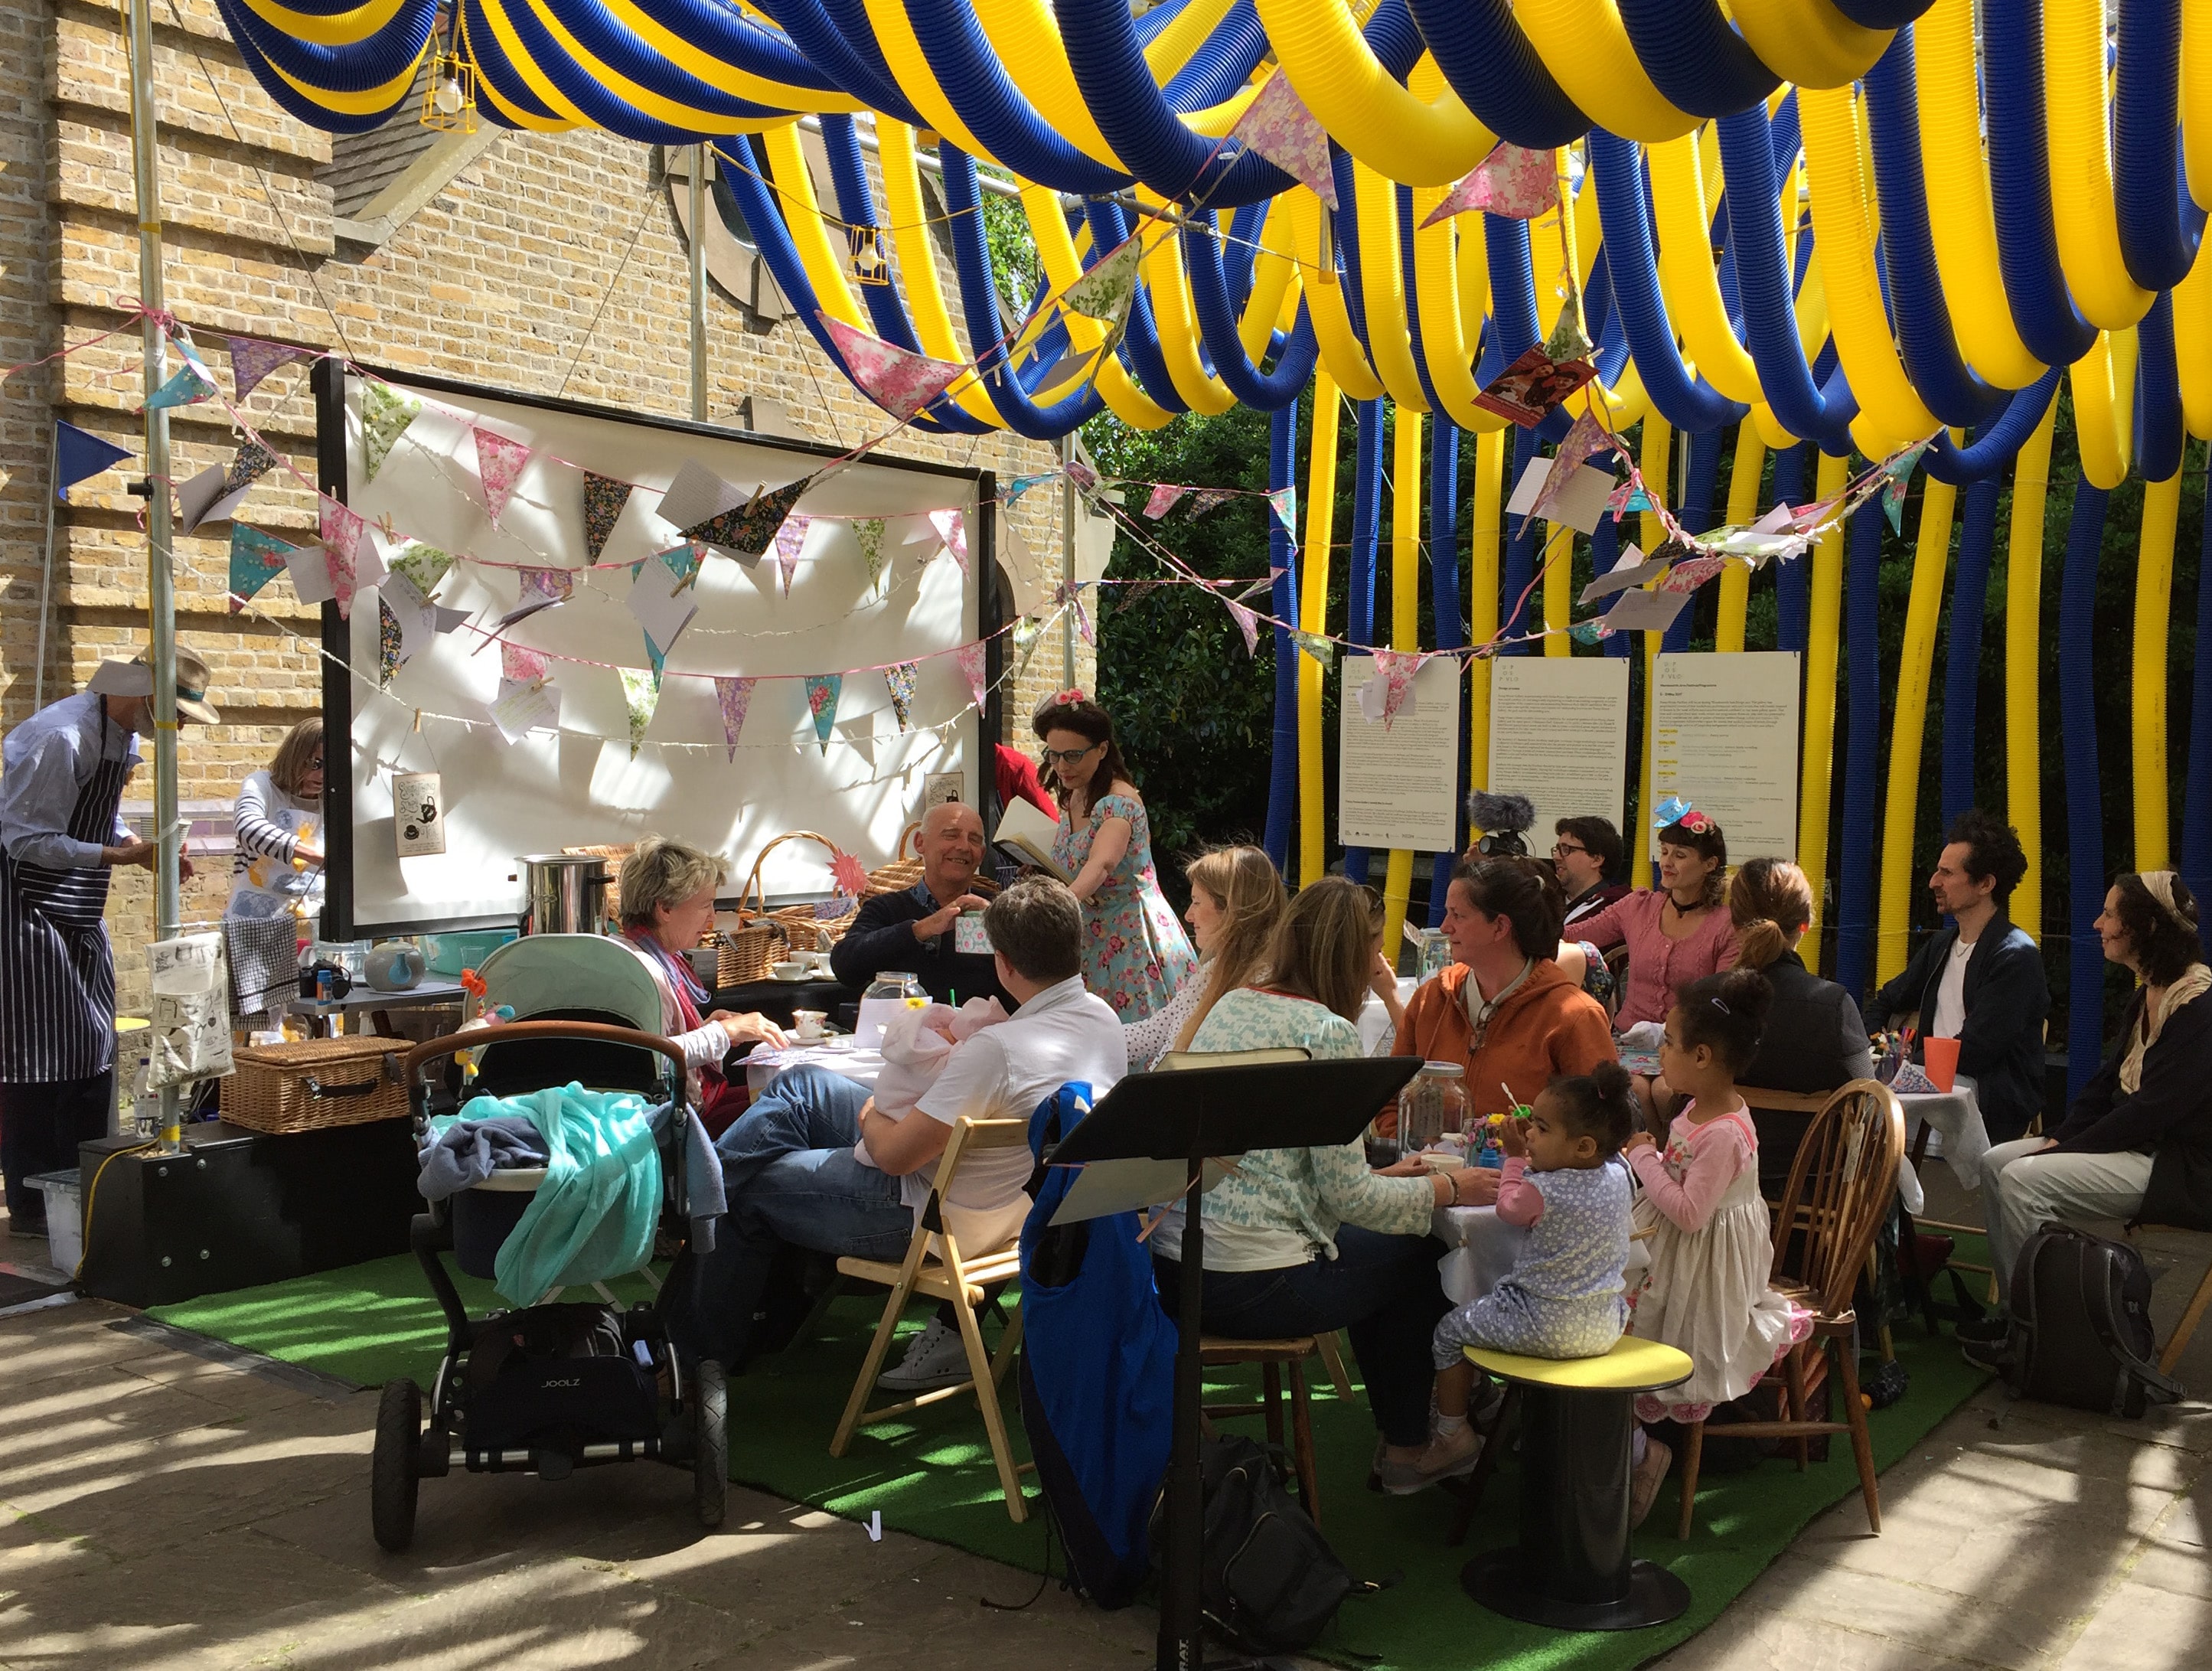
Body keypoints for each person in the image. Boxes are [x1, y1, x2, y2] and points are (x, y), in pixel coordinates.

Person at [689, 879, 1123, 1387]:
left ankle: (695, 1353)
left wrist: (872, 1113)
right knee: (803, 1085)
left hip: (936, 1217)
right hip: (1005, 1205)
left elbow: (894, 1154)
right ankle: (700, 1185)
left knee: (751, 1185)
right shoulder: (1104, 1020)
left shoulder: (1000, 1048)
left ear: (1003, 962)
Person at [1149, 877, 1494, 1495]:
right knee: (1421, 1253)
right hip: (1257, 1283)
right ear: (1347, 953)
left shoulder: (1232, 1002)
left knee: (1387, 1248)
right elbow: (1350, 1201)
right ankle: (1419, 1444)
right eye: (1374, 948)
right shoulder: (1328, 1032)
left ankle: (1406, 1442)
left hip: (1180, 1270)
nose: (1381, 964)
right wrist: (1449, 1190)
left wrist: (1394, 1178)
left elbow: (1285, 1164)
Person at [1, 650, 213, 1237]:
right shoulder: (60, 737)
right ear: (144, 694)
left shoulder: (123, 739)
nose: (184, 725)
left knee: (94, 1040)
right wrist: (121, 855)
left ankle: (89, 1182)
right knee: (37, 1055)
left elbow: (102, 818)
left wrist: (138, 847)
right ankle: (32, 1202)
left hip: (78, 904)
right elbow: (25, 839)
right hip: (24, 906)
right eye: (178, 711)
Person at [1961, 872, 2212, 1359]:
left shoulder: (2198, 1008)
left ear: (2147, 929)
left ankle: (2049, 1339)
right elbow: (2107, 1084)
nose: (2099, 924)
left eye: (2111, 915)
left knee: (2024, 1181)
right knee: (1995, 1163)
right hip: (2136, 1146)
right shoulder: (2148, 993)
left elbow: (2152, 1112)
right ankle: (2022, 1318)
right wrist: (2062, 1135)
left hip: (2177, 1168)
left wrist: (2067, 1146)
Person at [1623, 969, 1805, 1527]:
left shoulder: (1722, 1130)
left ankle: (1641, 1449)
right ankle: (1623, 1441)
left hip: (1704, 1263)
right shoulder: (1701, 1107)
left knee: (1641, 1318)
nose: (1661, 1051)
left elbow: (1690, 1212)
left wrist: (1644, 1157)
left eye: (1670, 1043)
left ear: (1702, 1055)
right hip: (1685, 1247)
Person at [1416, 1065, 1641, 1481]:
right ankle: (1487, 1401)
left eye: (1540, 1127)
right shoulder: (1619, 1174)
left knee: (1450, 1329)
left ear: (1584, 1146)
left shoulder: (1545, 1189)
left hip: (1543, 1325)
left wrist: (1516, 1160)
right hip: (1605, 1324)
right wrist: (1532, 1154)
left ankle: (1453, 1435)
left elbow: (1509, 1209)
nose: (1529, 1132)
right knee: (1483, 1313)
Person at [1394, 857, 1617, 1122]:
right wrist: (1412, 1151)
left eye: (1458, 915)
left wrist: (1528, 1154)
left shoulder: (1575, 1016)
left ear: (1500, 926)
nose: (1444, 927)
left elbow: (1602, 1124)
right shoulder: (1431, 998)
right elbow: (1389, 1098)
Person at [1874, 809, 2050, 1141]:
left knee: (1873, 1111)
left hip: (1984, 1094)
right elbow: (1885, 1000)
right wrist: (1876, 1053)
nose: (1933, 882)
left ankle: (1894, 1191)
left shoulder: (2015, 957)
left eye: (1946, 873)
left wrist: (1902, 1067)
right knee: (1860, 1096)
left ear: (1985, 884)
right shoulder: (1941, 945)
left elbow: (1976, 1050)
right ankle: (1893, 1191)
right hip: (1930, 1082)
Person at [1034, 687, 1197, 1021]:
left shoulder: (1118, 802)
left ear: (1102, 749)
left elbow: (1102, 863)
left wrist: (1059, 906)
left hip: (1132, 940)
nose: (1062, 766)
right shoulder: (1074, 797)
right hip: (1090, 938)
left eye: (1073, 756)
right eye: (1054, 755)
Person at [615, 838, 787, 1132]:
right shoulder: (643, 971)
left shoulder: (651, 955)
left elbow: (660, 1038)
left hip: (695, 1105)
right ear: (664, 908)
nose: (712, 917)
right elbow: (650, 1060)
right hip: (680, 1123)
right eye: (705, 905)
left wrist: (704, 1030)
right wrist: (722, 1033)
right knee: (797, 1098)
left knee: (789, 1088)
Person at [1724, 858, 1874, 1193]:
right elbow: (1870, 1100)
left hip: (1718, 1183)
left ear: (1733, 921)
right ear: (1805, 924)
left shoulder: (1706, 997)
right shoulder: (1833, 1004)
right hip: (1814, 1188)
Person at [1572, 806, 1741, 1033]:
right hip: (1626, 1038)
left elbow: (1722, 1002)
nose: (1667, 863)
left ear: (1710, 864)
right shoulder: (1638, 906)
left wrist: (1672, 1036)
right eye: (1664, 852)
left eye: (1680, 855)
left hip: (1690, 1046)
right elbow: (1573, 935)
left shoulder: (1727, 926)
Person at [830, 801, 1010, 1008]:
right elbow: (845, 967)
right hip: (903, 1036)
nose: (963, 846)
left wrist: (1002, 927)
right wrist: (921, 929)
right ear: (919, 843)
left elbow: (1039, 978)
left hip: (985, 1036)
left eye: (974, 840)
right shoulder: (885, 908)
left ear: (983, 854)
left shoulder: (1000, 909)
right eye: (951, 835)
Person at [1123, 844, 1285, 1072]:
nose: (1188, 915)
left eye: (1197, 902)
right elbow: (1152, 1032)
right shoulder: (1213, 969)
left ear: (1231, 909)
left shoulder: (1261, 986)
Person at [223, 719, 325, 1028]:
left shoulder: (336, 799)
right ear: (296, 755)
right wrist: (309, 853)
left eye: (330, 765)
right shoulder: (261, 785)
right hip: (255, 923)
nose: (321, 775)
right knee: (257, 1026)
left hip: (312, 923)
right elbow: (248, 827)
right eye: (315, 764)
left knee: (314, 1017)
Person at [1555, 816, 1631, 932]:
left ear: (1596, 860)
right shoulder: (1548, 903)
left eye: (1566, 849)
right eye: (1557, 849)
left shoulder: (1616, 913)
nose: (1556, 857)